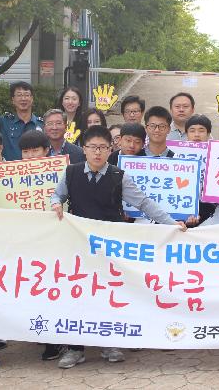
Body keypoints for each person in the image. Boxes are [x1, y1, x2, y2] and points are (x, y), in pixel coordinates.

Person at [50, 126, 186, 369]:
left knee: (108, 293)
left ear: (110, 149)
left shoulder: (118, 175)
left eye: (103, 147)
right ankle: (75, 349)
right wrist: (56, 204)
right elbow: (57, 196)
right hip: (79, 245)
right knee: (77, 295)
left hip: (110, 247)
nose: (97, 152)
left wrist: (170, 223)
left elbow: (143, 203)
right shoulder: (71, 173)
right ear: (84, 149)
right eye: (93, 147)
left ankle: (109, 343)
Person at [0, 80, 42, 161]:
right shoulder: (4, 122)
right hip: (8, 168)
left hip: (36, 168)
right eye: (19, 95)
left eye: (26, 95)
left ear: (32, 99)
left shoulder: (42, 124)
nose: (23, 98)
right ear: (13, 100)